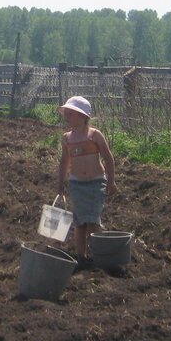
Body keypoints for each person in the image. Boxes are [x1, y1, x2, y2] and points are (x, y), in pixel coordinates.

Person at [56, 95, 116, 260]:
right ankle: (81, 256)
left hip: (96, 183)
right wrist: (60, 183)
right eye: (66, 113)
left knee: (93, 221)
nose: (67, 117)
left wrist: (111, 182)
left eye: (71, 114)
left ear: (83, 116)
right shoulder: (67, 138)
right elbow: (64, 162)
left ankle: (97, 254)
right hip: (76, 185)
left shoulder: (95, 136)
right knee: (80, 222)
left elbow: (109, 159)